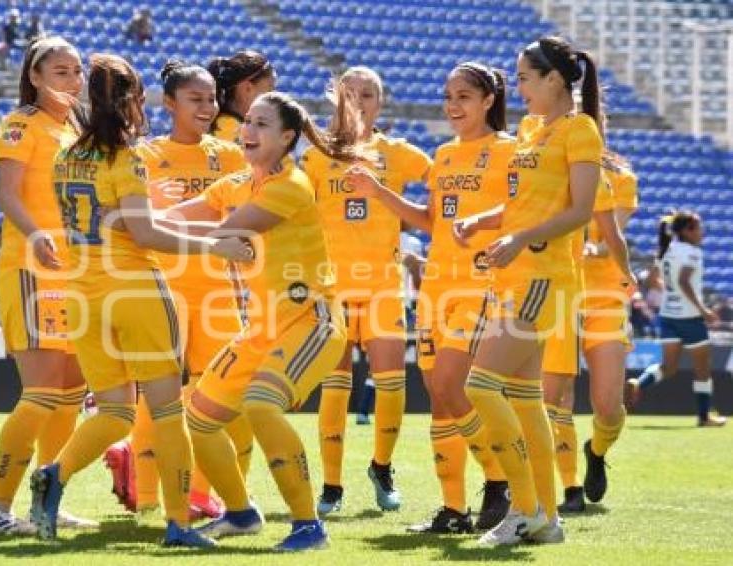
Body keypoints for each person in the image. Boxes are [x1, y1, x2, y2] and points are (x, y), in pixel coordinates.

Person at [27, 52, 252, 547]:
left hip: (84, 295)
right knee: (169, 412)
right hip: (135, 292)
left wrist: (205, 229)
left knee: (114, 413)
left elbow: (124, 222)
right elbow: (144, 233)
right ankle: (178, 523)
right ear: (132, 101)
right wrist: (215, 243)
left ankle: (54, 474)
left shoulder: (67, 155)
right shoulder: (124, 157)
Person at [163, 90, 366, 551]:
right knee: (199, 417)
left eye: (261, 125)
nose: (246, 131)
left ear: (288, 137)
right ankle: (239, 513)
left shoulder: (290, 186)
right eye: (247, 122)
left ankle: (308, 525)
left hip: (312, 322)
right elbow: (174, 216)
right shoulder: (235, 183)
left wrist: (145, 232)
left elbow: (223, 231)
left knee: (260, 405)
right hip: (261, 328)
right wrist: (139, 218)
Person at [449, 36, 604, 546]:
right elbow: (526, 206)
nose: (517, 87)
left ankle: (523, 507)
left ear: (554, 79)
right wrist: (486, 220)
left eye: (523, 77)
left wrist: (518, 238)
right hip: (514, 276)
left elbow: (580, 211)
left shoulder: (580, 130)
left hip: (543, 278)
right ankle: (548, 519)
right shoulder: (534, 129)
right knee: (525, 401)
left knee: (479, 386)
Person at [345, 62, 512, 533]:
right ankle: (455, 510)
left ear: (488, 101)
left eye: (463, 96)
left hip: (478, 285)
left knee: (449, 386)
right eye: (448, 96)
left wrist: (483, 226)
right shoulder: (443, 155)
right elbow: (430, 221)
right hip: (434, 287)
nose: (453, 105)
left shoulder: (507, 151)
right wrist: (378, 192)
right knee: (439, 402)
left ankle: (501, 480)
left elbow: (524, 209)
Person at [103, 59, 250, 519]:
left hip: (220, 291)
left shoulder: (230, 154)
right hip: (163, 289)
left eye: (211, 99)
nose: (206, 107)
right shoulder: (144, 157)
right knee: (157, 398)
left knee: (225, 397)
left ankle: (207, 495)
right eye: (195, 99)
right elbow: (136, 224)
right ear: (169, 103)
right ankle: (147, 497)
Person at [0, 36, 94, 535]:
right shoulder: (23, 124)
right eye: (61, 71)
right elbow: (6, 192)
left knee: (71, 390)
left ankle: (48, 496)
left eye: (77, 70)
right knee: (43, 390)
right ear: (37, 77)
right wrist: (37, 233)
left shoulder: (76, 128)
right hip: (30, 267)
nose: (73, 79)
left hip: (76, 272)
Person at [303, 66, 432, 515]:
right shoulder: (315, 155)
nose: (359, 101)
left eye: (369, 94)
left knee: (392, 385)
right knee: (334, 390)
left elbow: (446, 181)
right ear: (335, 99)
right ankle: (332, 486)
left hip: (382, 288)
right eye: (351, 93)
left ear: (381, 103)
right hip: (331, 291)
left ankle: (382, 466)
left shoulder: (396, 153)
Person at [546, 149, 637, 514]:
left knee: (608, 404)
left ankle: (596, 451)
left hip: (604, 297)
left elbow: (614, 232)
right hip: (558, 293)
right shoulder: (545, 162)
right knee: (558, 396)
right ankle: (570, 488)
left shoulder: (621, 176)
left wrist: (596, 247)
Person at [629, 212, 726, 427]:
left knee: (669, 366)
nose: (702, 233)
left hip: (668, 315)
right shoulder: (692, 252)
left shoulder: (666, 250)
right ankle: (703, 416)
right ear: (686, 231)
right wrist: (704, 310)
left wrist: (669, 291)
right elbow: (684, 281)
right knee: (702, 368)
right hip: (689, 317)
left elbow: (652, 281)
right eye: (698, 228)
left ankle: (639, 383)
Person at [207, 50, 276, 144]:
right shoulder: (233, 132)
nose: (274, 97)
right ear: (247, 88)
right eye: (269, 89)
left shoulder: (226, 125)